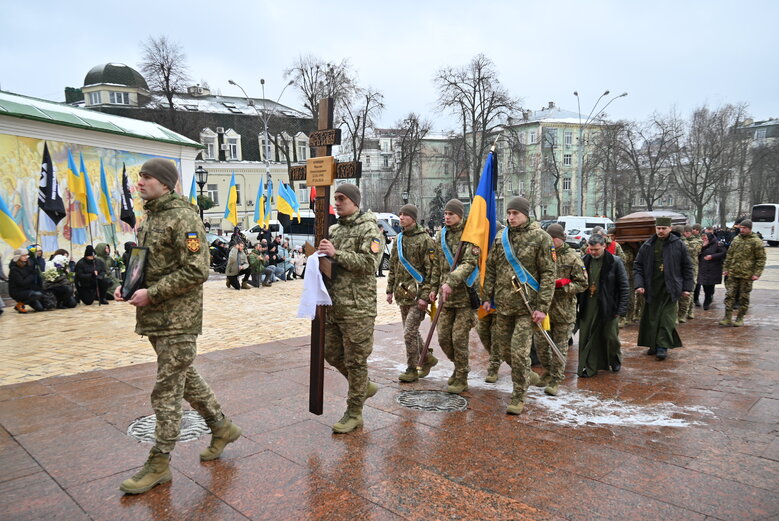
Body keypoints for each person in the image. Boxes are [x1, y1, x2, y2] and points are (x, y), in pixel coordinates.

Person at [115, 158, 240, 494]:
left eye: (148, 177)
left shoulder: (184, 217)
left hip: (178, 318)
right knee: (185, 378)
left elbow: (197, 270)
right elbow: (143, 260)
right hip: (156, 316)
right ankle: (221, 426)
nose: (140, 182)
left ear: (166, 183)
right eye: (139, 176)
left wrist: (152, 293)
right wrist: (127, 285)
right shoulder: (151, 216)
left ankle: (159, 462)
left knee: (166, 388)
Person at [318, 183, 383, 433]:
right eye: (335, 198)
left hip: (358, 307)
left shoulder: (370, 229)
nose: (337, 202)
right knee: (329, 352)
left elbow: (369, 263)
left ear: (354, 202)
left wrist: (337, 253)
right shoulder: (333, 229)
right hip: (334, 305)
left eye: (342, 198)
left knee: (356, 361)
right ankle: (364, 385)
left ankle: (354, 412)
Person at [482, 197, 556, 414]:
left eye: (515, 213)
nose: (511, 217)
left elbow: (549, 274)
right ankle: (528, 376)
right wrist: (487, 297)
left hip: (527, 307)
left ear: (526, 214)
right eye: (509, 213)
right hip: (504, 305)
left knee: (519, 353)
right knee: (505, 351)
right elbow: (492, 268)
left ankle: (518, 396)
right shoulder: (501, 237)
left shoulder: (541, 238)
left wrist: (542, 306)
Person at [429, 199, 478, 394]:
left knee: (459, 338)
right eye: (446, 214)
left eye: (452, 214)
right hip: (445, 297)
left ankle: (462, 375)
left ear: (460, 215)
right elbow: (437, 266)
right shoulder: (441, 235)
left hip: (464, 296)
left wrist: (451, 281)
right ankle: (459, 366)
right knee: (443, 339)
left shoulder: (470, 236)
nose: (447, 217)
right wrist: (433, 288)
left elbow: (469, 263)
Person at [386, 203, 438, 382]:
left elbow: (431, 270)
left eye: (405, 215)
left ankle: (411, 368)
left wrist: (425, 296)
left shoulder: (425, 240)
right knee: (412, 331)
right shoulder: (398, 239)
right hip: (402, 293)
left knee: (409, 332)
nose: (401, 217)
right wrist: (389, 290)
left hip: (418, 295)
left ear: (413, 218)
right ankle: (427, 358)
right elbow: (393, 267)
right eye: (400, 214)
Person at [535, 224, 588, 392]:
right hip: (545, 309)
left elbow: (583, 283)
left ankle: (556, 379)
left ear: (560, 238)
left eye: (552, 239)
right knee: (541, 345)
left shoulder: (572, 258)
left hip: (564, 311)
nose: (549, 242)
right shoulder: (542, 255)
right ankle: (548, 372)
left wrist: (563, 287)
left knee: (559, 347)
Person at [634, 216, 694, 361]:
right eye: (658, 228)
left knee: (666, 319)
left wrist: (687, 288)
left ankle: (662, 346)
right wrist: (639, 284)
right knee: (652, 318)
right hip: (652, 288)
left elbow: (687, 266)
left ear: (670, 228)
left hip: (670, 288)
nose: (660, 231)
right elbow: (638, 266)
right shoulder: (648, 245)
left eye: (663, 228)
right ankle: (653, 344)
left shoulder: (678, 244)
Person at [576, 234, 629, 377]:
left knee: (610, 336)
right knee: (587, 336)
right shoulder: (584, 261)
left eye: (596, 250)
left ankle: (615, 358)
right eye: (591, 249)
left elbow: (624, 287)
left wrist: (621, 309)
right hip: (588, 305)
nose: (593, 252)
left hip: (609, 306)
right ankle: (590, 366)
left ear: (604, 246)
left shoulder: (615, 262)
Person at [719, 219, 766, 327]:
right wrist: (726, 268)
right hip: (733, 273)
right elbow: (729, 255)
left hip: (747, 275)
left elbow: (761, 259)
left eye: (744, 228)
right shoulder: (736, 239)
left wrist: (757, 273)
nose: (742, 230)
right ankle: (727, 317)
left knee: (743, 297)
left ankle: (740, 318)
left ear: (750, 228)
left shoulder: (756, 241)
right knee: (729, 295)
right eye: (741, 228)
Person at [677, 225, 702, 323]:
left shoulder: (697, 241)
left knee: (690, 291)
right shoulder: (681, 241)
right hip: (681, 268)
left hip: (692, 269)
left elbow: (691, 250)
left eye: (687, 232)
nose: (685, 234)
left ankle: (689, 311)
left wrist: (681, 239)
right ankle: (684, 311)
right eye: (684, 232)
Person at [8, 248, 45, 313]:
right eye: (23, 255)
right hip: (17, 291)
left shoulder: (28, 265)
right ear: (18, 257)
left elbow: (31, 278)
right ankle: (20, 305)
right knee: (37, 294)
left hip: (28, 290)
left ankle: (24, 302)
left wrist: (36, 264)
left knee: (40, 308)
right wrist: (32, 274)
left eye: (26, 255)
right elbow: (22, 283)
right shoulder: (14, 269)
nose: (26, 257)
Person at [697, 232, 726, 310]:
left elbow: (723, 253)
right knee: (704, 284)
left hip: (713, 268)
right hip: (703, 267)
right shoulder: (701, 244)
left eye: (705, 237)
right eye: (703, 237)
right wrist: (703, 246)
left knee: (710, 285)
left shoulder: (717, 244)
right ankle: (707, 298)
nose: (704, 239)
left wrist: (712, 256)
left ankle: (707, 299)